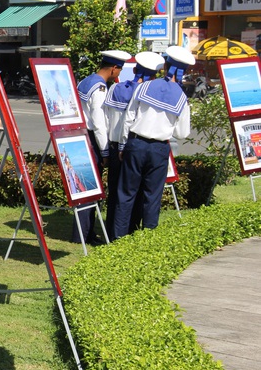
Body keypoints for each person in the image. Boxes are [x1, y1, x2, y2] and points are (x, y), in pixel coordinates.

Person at [113, 46, 194, 239]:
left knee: (126, 194)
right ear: (185, 71)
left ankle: (118, 240)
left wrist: (123, 145)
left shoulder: (144, 87)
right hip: (159, 148)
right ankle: (149, 240)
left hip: (136, 144)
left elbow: (129, 118)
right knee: (152, 196)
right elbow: (182, 133)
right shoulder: (182, 98)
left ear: (164, 66)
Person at [103, 51, 165, 240]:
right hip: (135, 146)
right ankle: (134, 231)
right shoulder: (151, 93)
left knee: (117, 194)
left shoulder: (116, 89)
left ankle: (113, 234)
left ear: (135, 69)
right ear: (154, 76)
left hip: (115, 146)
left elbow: (106, 117)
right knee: (139, 194)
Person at [72, 49, 131, 245]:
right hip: (92, 140)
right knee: (90, 188)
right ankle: (85, 234)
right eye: (119, 70)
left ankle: (80, 232)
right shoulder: (99, 88)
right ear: (114, 68)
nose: (119, 75)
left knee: (83, 186)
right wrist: (105, 152)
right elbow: (98, 123)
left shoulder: (86, 81)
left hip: (81, 136)